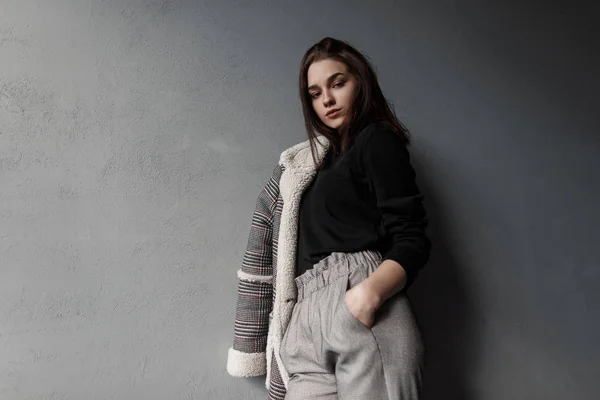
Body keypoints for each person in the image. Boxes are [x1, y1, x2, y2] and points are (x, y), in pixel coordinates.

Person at [227, 37, 432, 400]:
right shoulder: (311, 166)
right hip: (304, 318)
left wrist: (368, 295)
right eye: (315, 92)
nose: (327, 100)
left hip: (361, 303)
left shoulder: (376, 141)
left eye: (338, 83)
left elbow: (411, 235)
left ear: (361, 83)